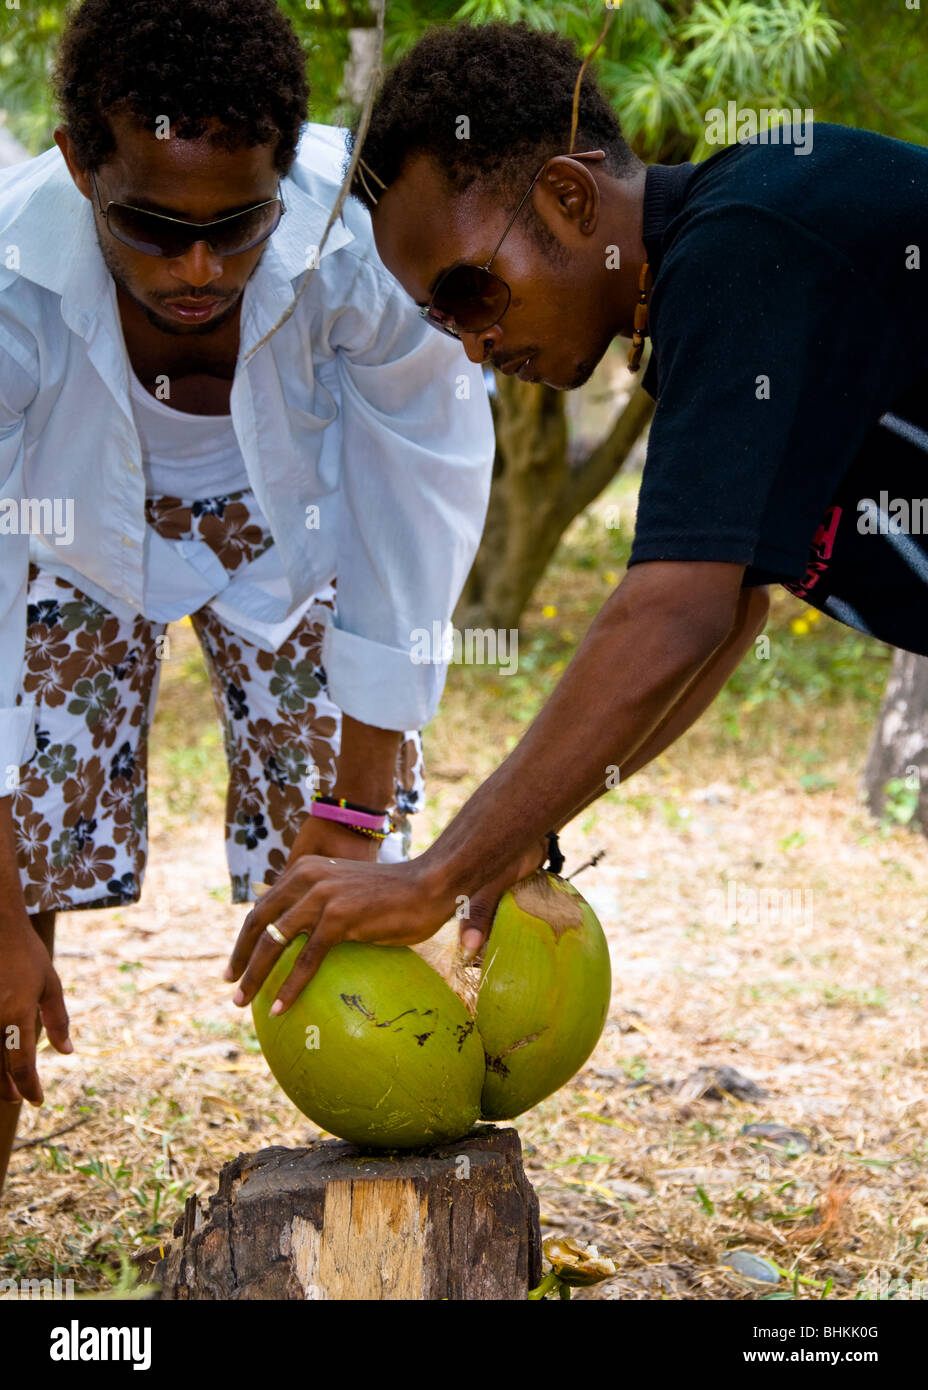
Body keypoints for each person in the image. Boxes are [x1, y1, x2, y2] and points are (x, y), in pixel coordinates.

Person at [229, 20, 927, 1017]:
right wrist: (519, 833)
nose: (473, 345)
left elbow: (672, 614)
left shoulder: (747, 244)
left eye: (470, 290)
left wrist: (434, 872)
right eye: (441, 318)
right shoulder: (732, 255)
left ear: (567, 197)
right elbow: (724, 617)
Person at [0, 0, 494, 1193]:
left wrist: (359, 806)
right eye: (153, 227)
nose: (199, 270)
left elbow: (414, 504)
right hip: (59, 534)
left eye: (238, 226)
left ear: (289, 168)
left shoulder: (363, 244)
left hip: (298, 533)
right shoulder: (11, 277)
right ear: (79, 165)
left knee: (353, 897)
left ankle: (385, 1222)